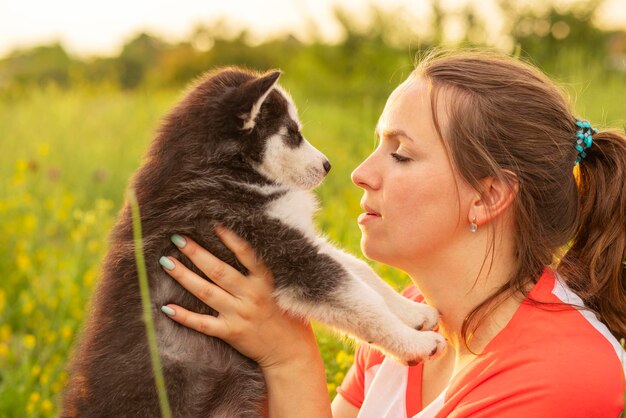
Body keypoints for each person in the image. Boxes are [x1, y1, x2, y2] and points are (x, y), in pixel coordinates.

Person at [157, 50, 626, 417]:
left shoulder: (562, 372)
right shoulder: (410, 319)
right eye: (376, 145)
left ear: (488, 196)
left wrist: (290, 359)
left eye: (400, 154)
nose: (360, 173)